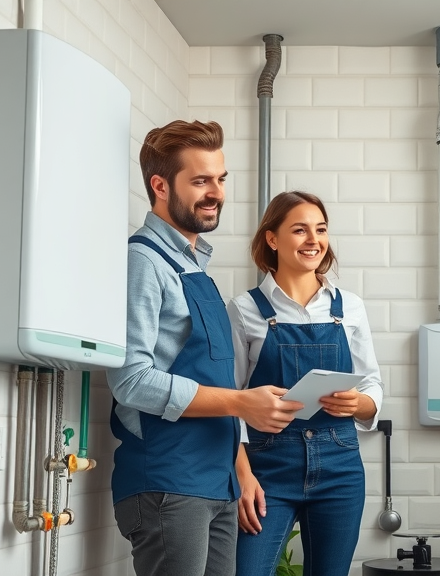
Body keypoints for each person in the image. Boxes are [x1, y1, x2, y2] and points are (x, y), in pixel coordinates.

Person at [106, 120, 302, 576]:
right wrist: (241, 402)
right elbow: (130, 380)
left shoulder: (194, 266)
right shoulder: (144, 262)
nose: (216, 192)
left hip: (217, 481)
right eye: (200, 181)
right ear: (159, 185)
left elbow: (210, 381)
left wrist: (243, 470)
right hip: (167, 483)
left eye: (220, 179)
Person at [228, 191, 384, 576]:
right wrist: (242, 476)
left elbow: (373, 385)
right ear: (272, 239)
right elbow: (230, 402)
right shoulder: (244, 309)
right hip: (266, 468)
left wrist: (358, 404)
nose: (314, 240)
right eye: (300, 230)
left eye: (321, 229)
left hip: (339, 465)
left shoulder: (349, 307)